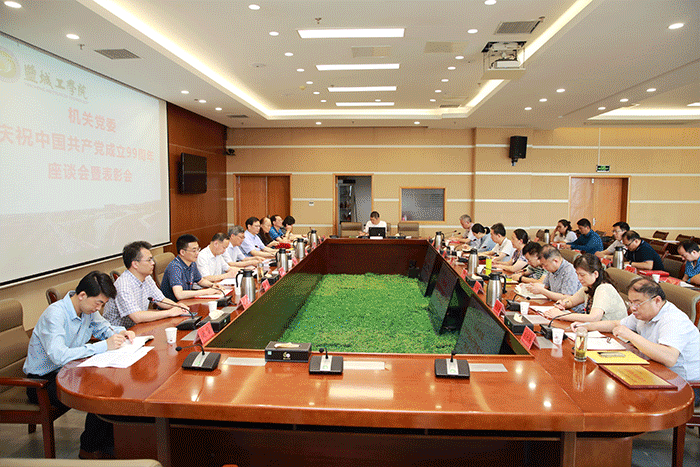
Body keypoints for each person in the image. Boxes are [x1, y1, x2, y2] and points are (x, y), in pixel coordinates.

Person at [23, 271, 135, 459]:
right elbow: (59, 356)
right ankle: (89, 449)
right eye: (98, 303)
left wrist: (120, 333)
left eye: (103, 304)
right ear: (82, 295)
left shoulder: (87, 311)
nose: (99, 308)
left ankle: (108, 444)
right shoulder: (55, 315)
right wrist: (102, 346)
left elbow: (104, 328)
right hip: (42, 383)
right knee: (98, 393)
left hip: (69, 372)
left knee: (114, 386)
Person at [573, 277, 700, 384]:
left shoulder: (673, 319)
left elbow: (669, 358)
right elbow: (615, 324)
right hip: (655, 372)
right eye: (631, 302)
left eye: (637, 303)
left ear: (657, 300)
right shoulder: (644, 313)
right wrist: (586, 326)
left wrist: (631, 336)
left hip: (683, 384)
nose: (633, 308)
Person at [104, 241, 185, 329]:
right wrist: (169, 313)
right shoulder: (123, 285)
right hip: (118, 332)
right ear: (135, 264)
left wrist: (177, 307)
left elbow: (161, 300)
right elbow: (136, 317)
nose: (153, 263)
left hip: (139, 327)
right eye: (149, 260)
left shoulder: (146, 278)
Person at [542, 253, 626, 322]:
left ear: (595, 274)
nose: (579, 278)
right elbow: (571, 301)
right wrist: (564, 303)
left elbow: (594, 317)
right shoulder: (588, 287)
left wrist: (561, 315)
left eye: (582, 275)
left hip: (612, 334)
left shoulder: (604, 288)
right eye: (577, 274)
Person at [160, 234, 222, 301]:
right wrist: (206, 292)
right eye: (194, 251)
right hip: (173, 305)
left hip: (185, 301)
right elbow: (179, 295)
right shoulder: (175, 267)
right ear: (182, 252)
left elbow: (200, 281)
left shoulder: (192, 263)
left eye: (198, 249)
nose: (197, 253)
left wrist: (212, 285)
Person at [524, 245, 583, 312]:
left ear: (555, 261)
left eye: (545, 265)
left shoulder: (569, 271)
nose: (543, 268)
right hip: (554, 305)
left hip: (570, 310)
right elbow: (545, 286)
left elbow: (566, 297)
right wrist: (530, 287)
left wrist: (542, 290)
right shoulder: (551, 269)